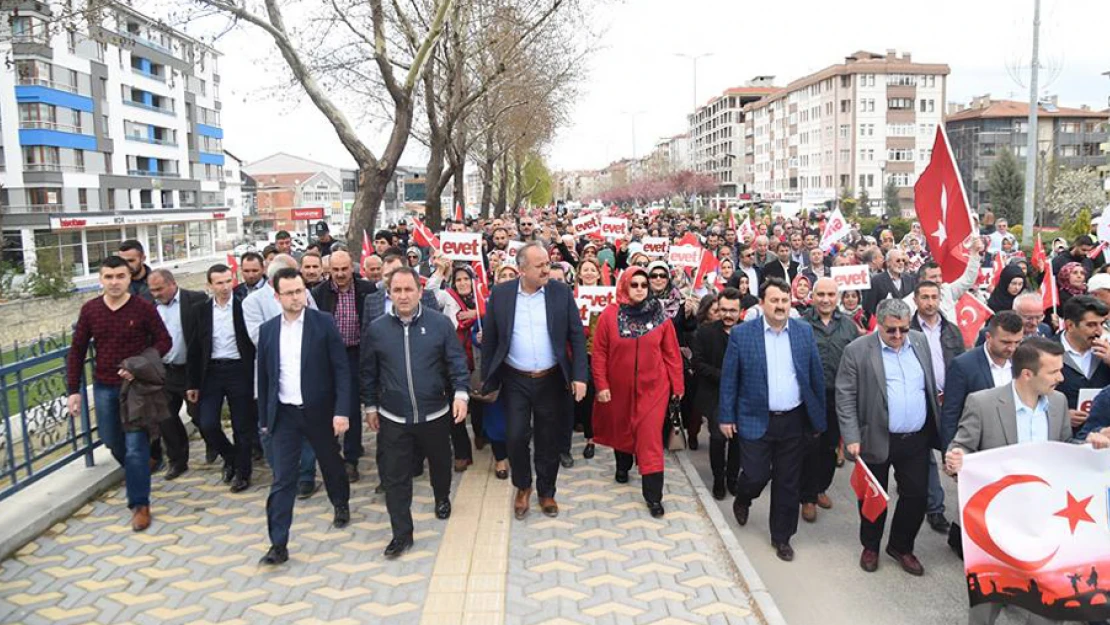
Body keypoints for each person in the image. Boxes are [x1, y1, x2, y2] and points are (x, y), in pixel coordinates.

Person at [944, 338, 1075, 625]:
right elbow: (962, 446)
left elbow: (1066, 449)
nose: (1061, 378)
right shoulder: (982, 403)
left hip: (1045, 526)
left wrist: (1095, 446)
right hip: (995, 528)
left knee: (1047, 608)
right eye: (1054, 372)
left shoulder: (1059, 403)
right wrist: (956, 459)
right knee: (987, 606)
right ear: (1028, 374)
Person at [361, 267, 469, 558]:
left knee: (440, 462)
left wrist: (461, 394)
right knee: (395, 477)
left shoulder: (439, 325)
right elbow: (368, 372)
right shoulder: (378, 329)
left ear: (420, 292)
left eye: (409, 289)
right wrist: (370, 406)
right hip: (394, 417)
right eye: (397, 290)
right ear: (389, 294)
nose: (403, 296)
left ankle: (442, 496)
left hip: (434, 413)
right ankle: (401, 534)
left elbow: (456, 362)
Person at [718, 277, 826, 562]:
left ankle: (782, 537)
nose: (780, 306)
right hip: (754, 418)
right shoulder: (743, 334)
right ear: (762, 303)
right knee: (755, 474)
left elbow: (815, 375)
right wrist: (726, 416)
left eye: (785, 300)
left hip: (792, 420)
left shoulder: (803, 332)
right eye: (774, 300)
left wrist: (817, 417)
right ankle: (744, 497)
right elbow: (730, 379)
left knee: (787, 482)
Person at [480, 243, 588, 520]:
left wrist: (579, 376)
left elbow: (576, 335)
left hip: (551, 380)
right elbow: (491, 337)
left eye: (548, 263)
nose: (546, 269)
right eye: (539, 265)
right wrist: (487, 379)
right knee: (515, 436)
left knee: (547, 439)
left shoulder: (560, 293)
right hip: (515, 378)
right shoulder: (501, 295)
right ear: (522, 269)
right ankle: (523, 486)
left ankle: (546, 491)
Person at [66, 256, 172, 532]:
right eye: (109, 277)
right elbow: (77, 351)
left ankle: (139, 504)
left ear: (129, 278)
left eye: (120, 276)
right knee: (111, 439)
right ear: (100, 279)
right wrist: (73, 391)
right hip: (104, 386)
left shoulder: (143, 307)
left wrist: (140, 365)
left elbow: (164, 341)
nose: (114, 282)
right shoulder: (90, 310)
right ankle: (142, 467)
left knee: (136, 448)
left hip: (135, 389)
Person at [837, 298, 941, 576]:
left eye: (903, 329)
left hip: (916, 438)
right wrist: (851, 436)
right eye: (891, 330)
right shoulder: (857, 351)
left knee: (917, 496)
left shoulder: (919, 342)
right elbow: (845, 395)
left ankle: (900, 546)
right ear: (878, 325)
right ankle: (870, 545)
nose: (898, 336)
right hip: (875, 438)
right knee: (873, 498)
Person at [256, 268, 351, 566]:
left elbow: (341, 370)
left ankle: (340, 503)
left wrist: (342, 411)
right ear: (277, 296)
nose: (296, 297)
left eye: (300, 291)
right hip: (283, 415)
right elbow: (264, 377)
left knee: (330, 461)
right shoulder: (268, 330)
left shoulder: (322, 323)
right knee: (283, 478)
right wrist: (264, 419)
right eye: (290, 293)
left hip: (319, 411)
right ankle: (278, 543)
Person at [591, 267, 684, 517]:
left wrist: (678, 386)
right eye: (635, 284)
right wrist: (601, 385)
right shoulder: (610, 316)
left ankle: (653, 496)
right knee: (623, 427)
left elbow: (672, 353)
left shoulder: (660, 316)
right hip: (618, 388)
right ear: (624, 286)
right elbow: (599, 352)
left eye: (644, 284)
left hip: (654, 388)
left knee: (649, 437)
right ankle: (623, 465)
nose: (641, 289)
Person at [937, 310, 1024, 556]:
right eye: (1006, 342)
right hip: (977, 445)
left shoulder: (1022, 361)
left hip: (1009, 444)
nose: (1012, 348)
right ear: (989, 337)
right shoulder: (964, 365)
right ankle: (962, 539)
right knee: (974, 498)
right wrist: (949, 453)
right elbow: (951, 412)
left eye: (1017, 342)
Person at [186, 264, 257, 492]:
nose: (225, 287)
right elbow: (194, 349)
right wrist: (192, 383)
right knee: (207, 424)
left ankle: (243, 473)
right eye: (219, 283)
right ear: (210, 285)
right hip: (212, 373)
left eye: (228, 281)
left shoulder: (244, 307)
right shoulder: (200, 311)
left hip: (239, 370)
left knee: (242, 426)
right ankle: (231, 456)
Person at [311, 250, 377, 482]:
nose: (340, 274)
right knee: (331, 405)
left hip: (358, 353)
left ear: (352, 268)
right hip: (329, 356)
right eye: (335, 270)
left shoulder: (367, 289)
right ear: (328, 270)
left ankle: (351, 458)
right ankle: (332, 452)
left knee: (350, 406)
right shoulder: (318, 293)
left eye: (344, 269)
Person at [799, 278, 858, 523]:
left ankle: (821, 487)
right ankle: (807, 497)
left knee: (830, 447)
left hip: (839, 397)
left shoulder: (849, 326)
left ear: (837, 297)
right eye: (820, 294)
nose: (825, 299)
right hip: (810, 396)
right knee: (809, 448)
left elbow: (856, 361)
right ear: (813, 296)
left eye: (830, 295)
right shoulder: (801, 324)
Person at [908, 280, 965, 535]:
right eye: (925, 297)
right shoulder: (906, 330)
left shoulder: (952, 330)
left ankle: (966, 514)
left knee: (952, 452)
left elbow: (961, 365)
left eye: (934, 297)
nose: (930, 302)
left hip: (949, 401)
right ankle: (935, 508)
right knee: (924, 455)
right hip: (921, 399)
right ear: (916, 300)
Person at [148, 268, 207, 480]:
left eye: (159, 289)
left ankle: (212, 443)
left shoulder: (196, 300)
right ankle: (178, 460)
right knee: (166, 418)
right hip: (165, 371)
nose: (156, 294)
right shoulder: (150, 307)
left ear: (172, 284)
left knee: (200, 415)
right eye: (152, 290)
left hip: (191, 370)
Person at [693, 288, 743, 500]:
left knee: (738, 440)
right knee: (717, 438)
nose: (728, 315)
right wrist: (724, 376)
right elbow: (698, 363)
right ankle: (719, 480)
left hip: (742, 396)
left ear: (741, 311)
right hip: (715, 394)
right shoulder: (705, 332)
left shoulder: (748, 332)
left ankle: (733, 479)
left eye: (733, 310)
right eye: (723, 310)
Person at [1054, 295, 1110, 434]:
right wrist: (1061, 415)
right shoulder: (1047, 351)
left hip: (1101, 438)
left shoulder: (1106, 349)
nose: (1098, 331)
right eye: (1091, 325)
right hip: (1063, 439)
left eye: (1101, 324)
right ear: (1070, 325)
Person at [444, 265, 480, 471]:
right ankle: (462, 453)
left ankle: (482, 435)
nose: (463, 283)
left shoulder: (484, 302)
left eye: (467, 279)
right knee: (455, 409)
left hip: (479, 364)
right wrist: (441, 270)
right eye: (458, 280)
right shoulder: (448, 302)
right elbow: (430, 289)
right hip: (455, 364)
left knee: (480, 408)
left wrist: (478, 313)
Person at [865, 249, 917, 315]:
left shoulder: (910, 279)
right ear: (888, 263)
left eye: (903, 260)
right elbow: (869, 307)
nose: (901, 263)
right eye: (898, 260)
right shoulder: (876, 281)